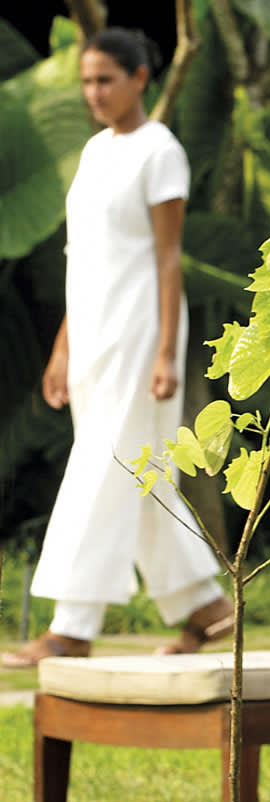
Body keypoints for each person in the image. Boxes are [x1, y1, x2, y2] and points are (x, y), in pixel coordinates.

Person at [2, 28, 230, 668]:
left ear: (139, 78)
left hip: (140, 333)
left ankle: (72, 626)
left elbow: (166, 258)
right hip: (93, 336)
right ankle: (209, 611)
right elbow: (86, 259)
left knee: (104, 467)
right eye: (86, 81)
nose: (94, 93)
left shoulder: (160, 152)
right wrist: (62, 347)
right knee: (144, 476)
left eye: (106, 79)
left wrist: (165, 353)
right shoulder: (97, 152)